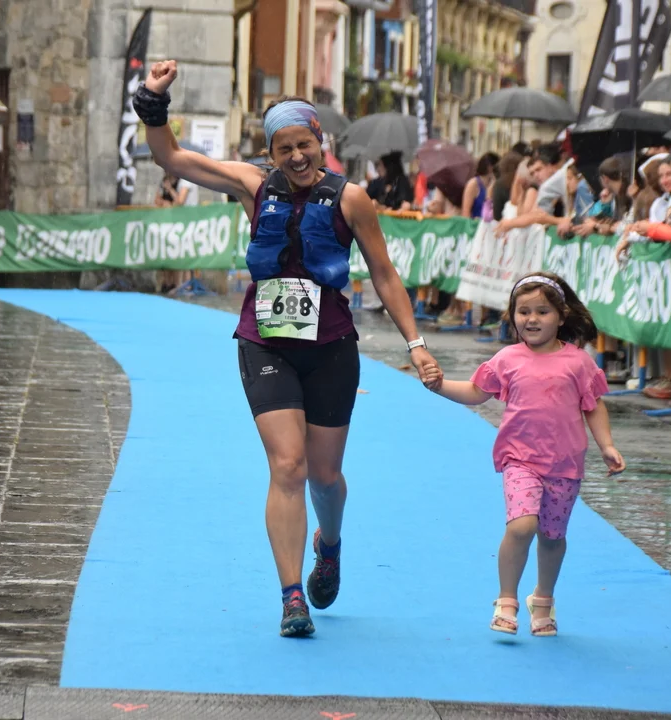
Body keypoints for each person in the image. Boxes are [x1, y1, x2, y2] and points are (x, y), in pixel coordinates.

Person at [134, 59, 442, 637]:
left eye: (304, 145)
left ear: (320, 142)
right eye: (284, 149)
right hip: (265, 342)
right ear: (270, 152)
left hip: (331, 347)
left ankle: (331, 544)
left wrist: (417, 344)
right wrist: (153, 99)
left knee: (325, 475)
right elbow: (171, 157)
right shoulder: (253, 185)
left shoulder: (352, 199)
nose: (296, 157)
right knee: (288, 465)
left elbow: (384, 273)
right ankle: (291, 596)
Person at [422, 272, 625, 636]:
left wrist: (606, 445)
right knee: (521, 526)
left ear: (561, 317)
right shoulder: (508, 358)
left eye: (542, 312)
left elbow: (593, 405)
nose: (532, 319)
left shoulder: (579, 362)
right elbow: (476, 391)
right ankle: (506, 600)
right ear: (512, 316)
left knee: (552, 536)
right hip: (520, 459)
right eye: (523, 311)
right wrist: (440, 386)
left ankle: (542, 600)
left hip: (565, 464)